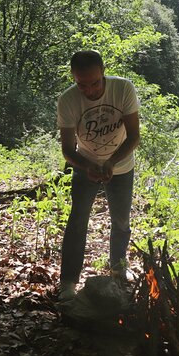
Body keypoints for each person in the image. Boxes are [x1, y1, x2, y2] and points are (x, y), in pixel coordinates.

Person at [56, 50, 141, 301]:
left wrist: (112, 162)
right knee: (77, 222)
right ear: (73, 78)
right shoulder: (68, 100)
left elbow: (134, 136)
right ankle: (68, 283)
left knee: (121, 222)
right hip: (85, 163)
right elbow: (67, 149)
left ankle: (118, 271)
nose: (89, 90)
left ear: (104, 72)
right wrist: (88, 167)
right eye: (82, 84)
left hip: (122, 166)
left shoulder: (123, 89)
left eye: (94, 83)